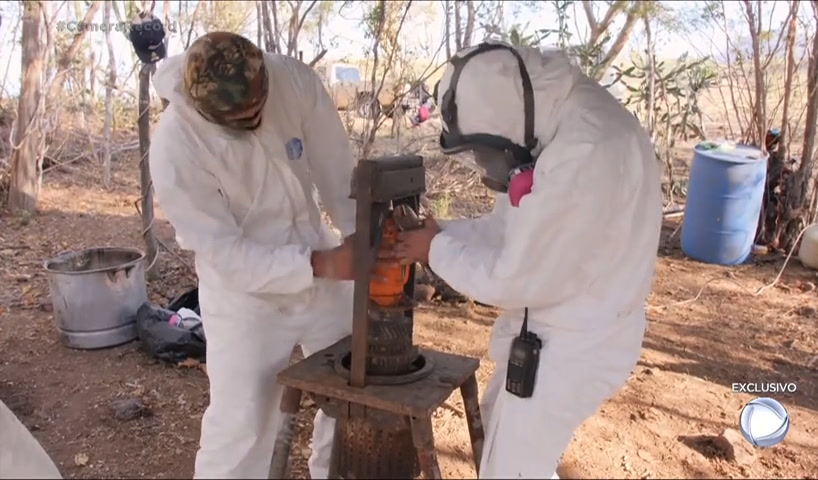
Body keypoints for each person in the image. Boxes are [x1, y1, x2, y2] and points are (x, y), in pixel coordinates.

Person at [392, 42, 663, 478]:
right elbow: (513, 232)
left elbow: (513, 275)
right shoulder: (554, 123)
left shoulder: (586, 151)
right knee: (507, 441)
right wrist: (440, 232)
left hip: (576, 343)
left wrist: (433, 250)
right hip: (562, 326)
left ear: (506, 125)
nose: (484, 162)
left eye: (484, 150)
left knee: (512, 470)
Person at [148, 32, 357, 479]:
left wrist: (361, 241)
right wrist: (319, 264)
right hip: (244, 291)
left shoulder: (293, 81)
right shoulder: (175, 145)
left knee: (350, 400)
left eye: (258, 110)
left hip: (320, 258)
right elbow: (225, 252)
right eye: (239, 120)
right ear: (204, 108)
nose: (254, 122)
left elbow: (338, 172)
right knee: (243, 423)